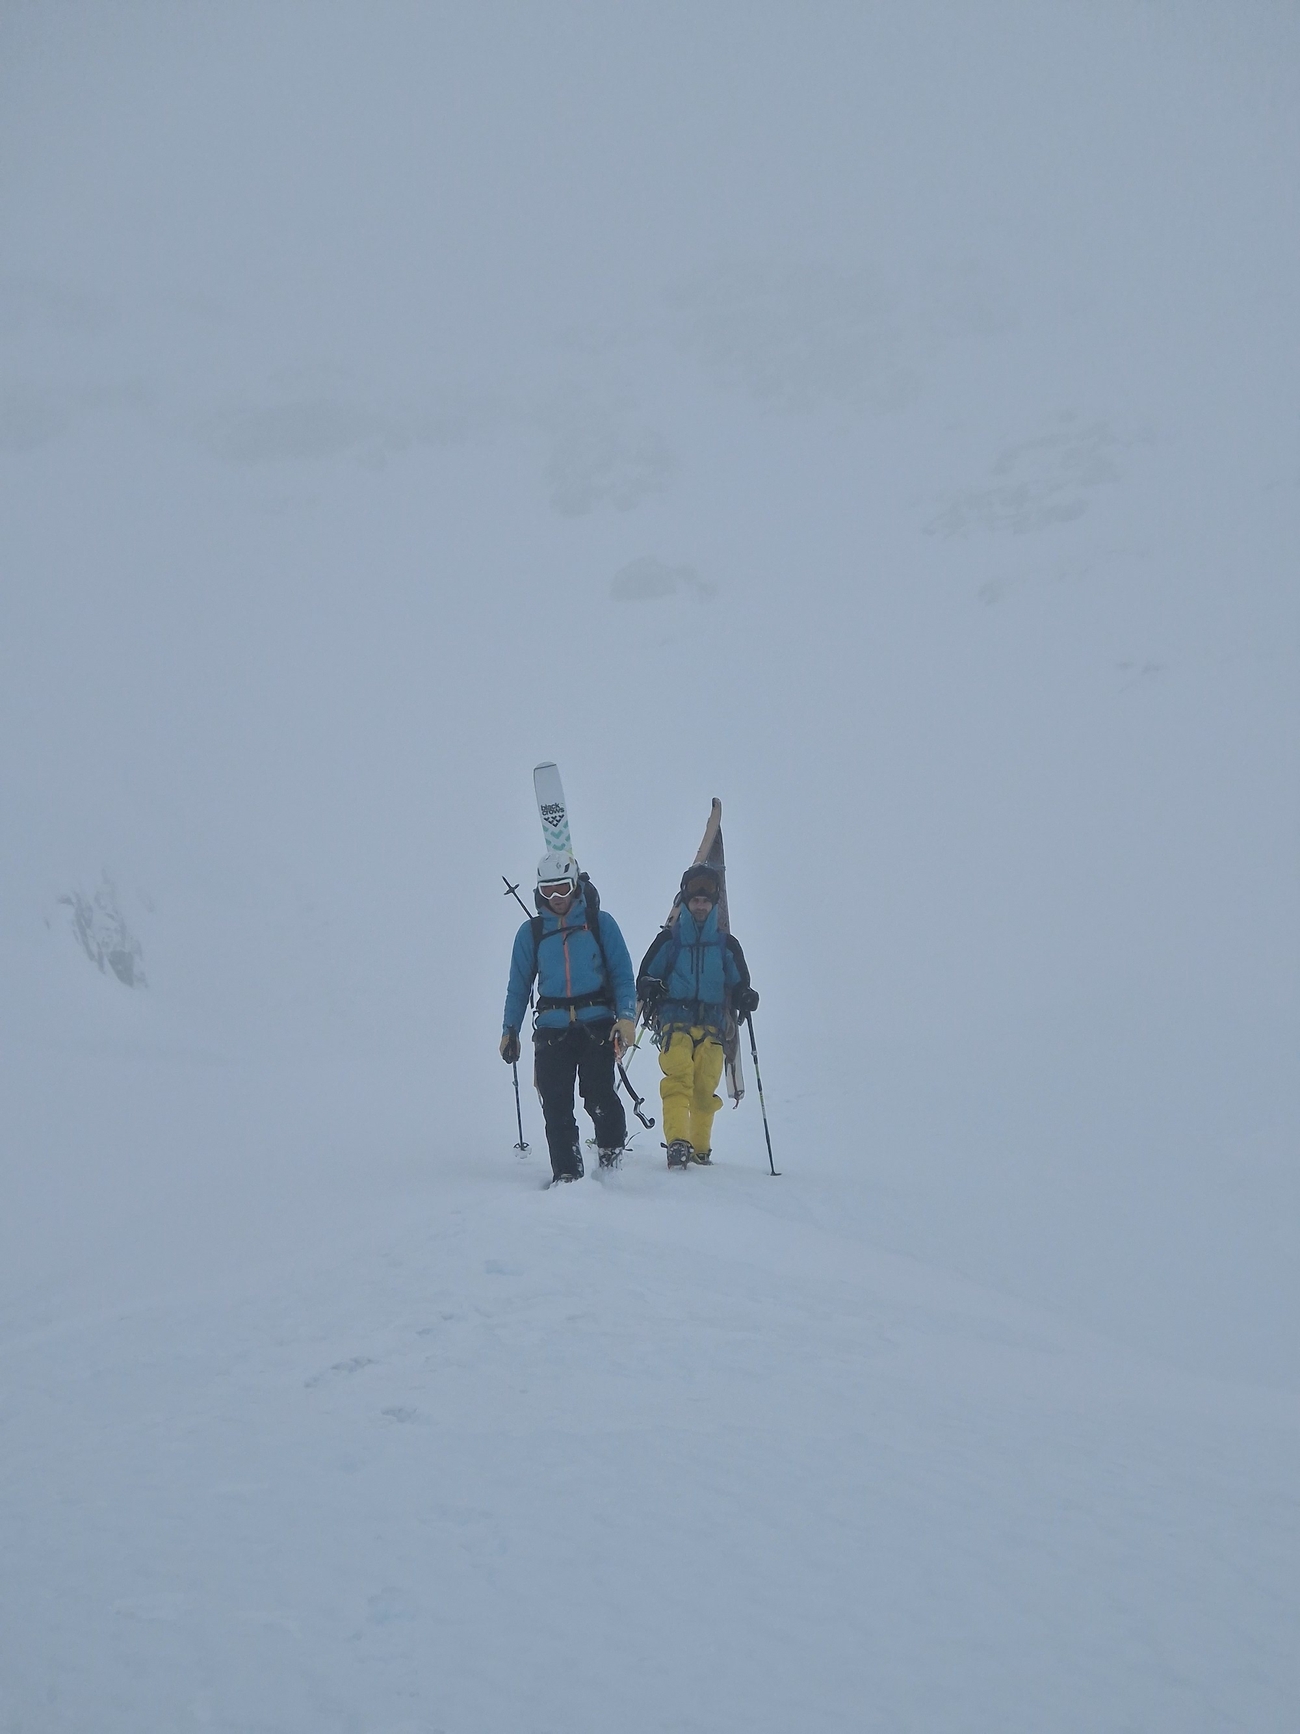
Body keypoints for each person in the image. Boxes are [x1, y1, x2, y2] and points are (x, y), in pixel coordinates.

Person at [500, 850, 638, 1183]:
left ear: (575, 885)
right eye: (548, 891)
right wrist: (510, 1030)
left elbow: (622, 974)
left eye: (562, 888)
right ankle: (567, 1173)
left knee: (600, 1097)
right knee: (556, 1106)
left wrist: (627, 1016)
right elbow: (518, 986)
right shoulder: (531, 933)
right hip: (551, 1029)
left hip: (597, 1026)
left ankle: (610, 1159)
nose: (556, 898)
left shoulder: (600, 923)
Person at [636, 863, 759, 1168]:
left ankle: (700, 1149)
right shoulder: (669, 941)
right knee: (678, 1081)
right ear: (686, 901)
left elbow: (740, 983)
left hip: (713, 1027)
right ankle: (678, 1142)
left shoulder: (727, 946)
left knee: (704, 1089)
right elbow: (643, 977)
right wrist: (650, 986)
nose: (701, 905)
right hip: (674, 1023)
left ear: (714, 902)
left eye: (706, 900)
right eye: (695, 900)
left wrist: (746, 995)